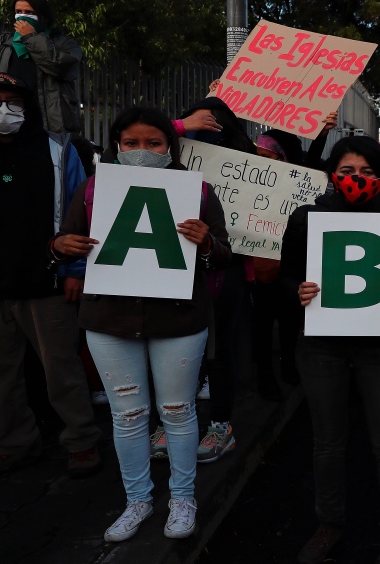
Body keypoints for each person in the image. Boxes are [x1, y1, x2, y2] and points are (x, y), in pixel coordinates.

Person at [52, 105, 232, 541]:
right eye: (130, 143)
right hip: (109, 321)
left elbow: (223, 255)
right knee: (128, 415)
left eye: (153, 143)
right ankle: (137, 501)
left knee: (177, 411)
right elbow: (64, 241)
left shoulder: (199, 192)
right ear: (116, 145)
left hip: (179, 321)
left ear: (170, 146)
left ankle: (182, 498)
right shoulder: (95, 189)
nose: (141, 151)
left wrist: (206, 243)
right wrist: (61, 245)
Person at [281, 136, 380, 564]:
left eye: (365, 172)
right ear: (332, 175)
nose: (355, 179)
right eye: (346, 171)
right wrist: (299, 292)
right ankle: (330, 524)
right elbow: (285, 279)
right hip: (321, 347)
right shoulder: (307, 219)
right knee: (327, 441)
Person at [0, 73, 101, 477]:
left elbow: (81, 213)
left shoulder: (57, 151)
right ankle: (16, 443)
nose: (5, 110)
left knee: (60, 368)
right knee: (3, 375)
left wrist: (75, 270)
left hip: (48, 280)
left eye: (13, 101)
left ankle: (81, 441)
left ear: (28, 106)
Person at [173, 96, 256, 463]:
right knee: (174, 347)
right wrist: (181, 126)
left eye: (217, 126)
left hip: (227, 267)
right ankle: (174, 419)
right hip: (174, 262)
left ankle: (220, 425)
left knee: (220, 350)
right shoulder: (168, 154)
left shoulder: (249, 160)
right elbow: (134, 140)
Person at [249, 130, 303, 400]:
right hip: (259, 270)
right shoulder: (246, 184)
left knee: (290, 321)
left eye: (268, 157)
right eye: (257, 156)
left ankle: (288, 364)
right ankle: (265, 376)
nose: (262, 162)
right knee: (261, 323)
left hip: (290, 268)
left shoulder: (300, 186)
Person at [0, 0, 81, 134]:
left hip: (48, 123)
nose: (22, 16)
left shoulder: (63, 44)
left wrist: (31, 37)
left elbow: (58, 67)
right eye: (18, 12)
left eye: (30, 13)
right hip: (9, 119)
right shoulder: (5, 44)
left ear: (44, 17)